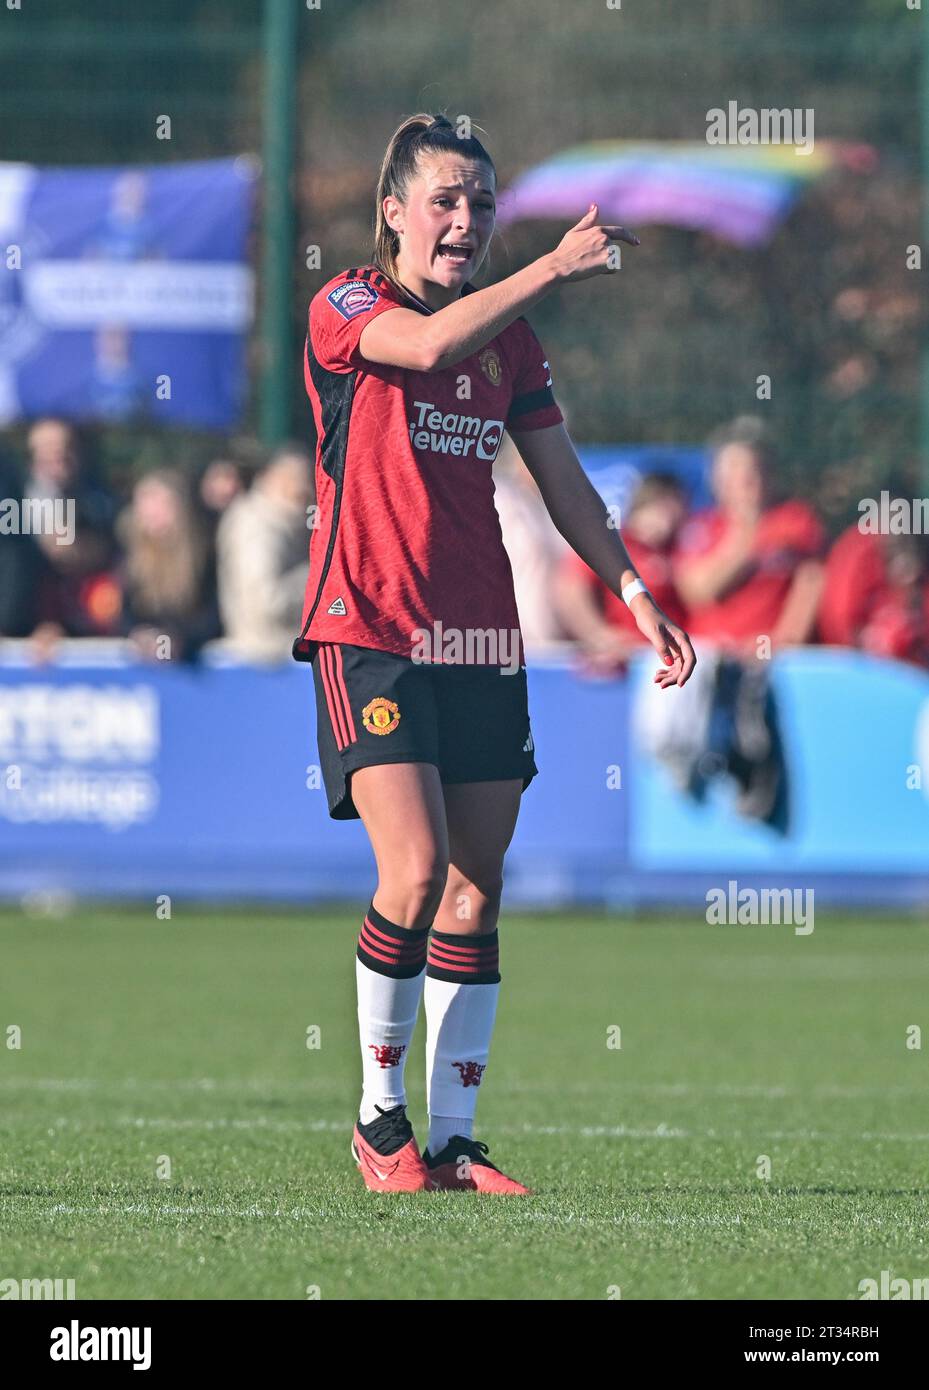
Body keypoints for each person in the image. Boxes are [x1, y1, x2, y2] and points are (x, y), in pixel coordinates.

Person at [292, 113, 695, 1195]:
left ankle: (455, 1139)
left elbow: (564, 485)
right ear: (392, 212)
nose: (463, 221)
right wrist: (555, 265)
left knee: (475, 890)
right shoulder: (348, 307)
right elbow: (424, 347)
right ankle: (379, 1120)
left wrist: (632, 589)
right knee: (413, 872)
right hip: (366, 629)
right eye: (443, 201)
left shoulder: (509, 346)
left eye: (478, 203)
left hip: (477, 637)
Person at [673, 418, 824, 655]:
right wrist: (748, 536)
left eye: (753, 469)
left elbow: (812, 581)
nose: (745, 479)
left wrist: (784, 639)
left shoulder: (795, 519)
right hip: (709, 653)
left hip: (774, 657)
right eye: (734, 469)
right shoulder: (701, 526)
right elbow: (700, 591)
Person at [555, 471, 689, 674]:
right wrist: (598, 634)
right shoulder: (616, 544)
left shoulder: (681, 545)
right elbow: (570, 587)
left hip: (675, 662)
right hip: (628, 664)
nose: (673, 516)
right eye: (666, 506)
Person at [216, 446, 312, 664]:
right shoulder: (257, 524)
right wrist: (318, 575)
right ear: (271, 478)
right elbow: (266, 600)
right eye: (293, 478)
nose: (303, 487)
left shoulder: (291, 523)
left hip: (278, 653)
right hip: (262, 655)